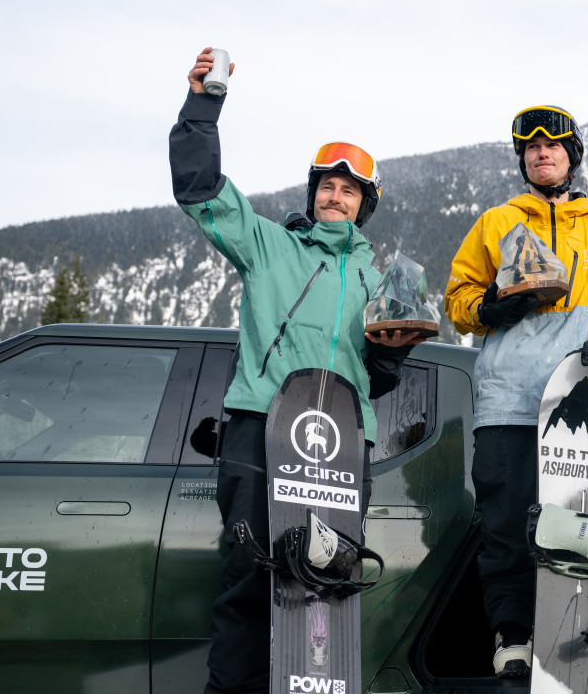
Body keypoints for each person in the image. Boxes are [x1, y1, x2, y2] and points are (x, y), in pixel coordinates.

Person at [169, 47, 423, 694]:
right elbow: (200, 189)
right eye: (327, 186)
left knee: (326, 581)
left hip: (342, 443)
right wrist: (203, 103)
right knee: (251, 580)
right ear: (313, 194)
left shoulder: (378, 278)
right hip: (262, 429)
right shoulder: (269, 246)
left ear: (365, 204)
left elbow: (378, 378)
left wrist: (390, 354)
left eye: (349, 190)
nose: (336, 197)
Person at [445, 105, 588, 677]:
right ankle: (511, 638)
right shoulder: (496, 221)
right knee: (506, 525)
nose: (541, 153)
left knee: (575, 521)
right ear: (522, 158)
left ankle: (573, 637)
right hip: (507, 397)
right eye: (530, 147)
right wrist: (490, 306)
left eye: (552, 146)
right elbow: (458, 301)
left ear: (572, 154)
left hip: (578, 398)